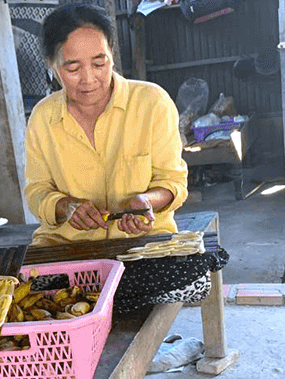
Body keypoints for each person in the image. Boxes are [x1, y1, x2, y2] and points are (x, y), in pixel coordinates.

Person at [25, 3, 188, 246]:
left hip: (143, 244)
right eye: (73, 67)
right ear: (52, 65)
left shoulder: (152, 103)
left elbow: (173, 182)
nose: (89, 79)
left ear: (111, 53)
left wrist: (146, 201)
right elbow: (37, 191)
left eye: (99, 63)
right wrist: (66, 207)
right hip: (67, 246)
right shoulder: (42, 118)